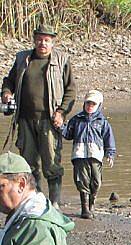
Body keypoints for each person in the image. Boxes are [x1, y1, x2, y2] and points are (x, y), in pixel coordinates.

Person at [1, 23, 77, 207]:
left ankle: (55, 204)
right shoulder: (22, 58)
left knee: (52, 163)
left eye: (47, 40)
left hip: (49, 121)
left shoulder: (62, 60)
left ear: (53, 42)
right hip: (25, 120)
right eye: (40, 39)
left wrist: (61, 112)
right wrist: (6, 93)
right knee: (28, 164)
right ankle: (37, 201)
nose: (42, 43)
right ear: (34, 40)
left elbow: (71, 91)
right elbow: (8, 81)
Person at [61, 89, 116, 219]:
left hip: (96, 155)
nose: (90, 106)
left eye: (93, 104)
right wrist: (60, 127)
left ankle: (92, 204)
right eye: (88, 103)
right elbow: (68, 134)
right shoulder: (76, 119)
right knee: (82, 181)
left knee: (96, 181)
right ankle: (85, 208)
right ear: (84, 104)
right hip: (79, 155)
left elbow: (109, 139)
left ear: (99, 106)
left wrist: (110, 154)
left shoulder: (102, 122)